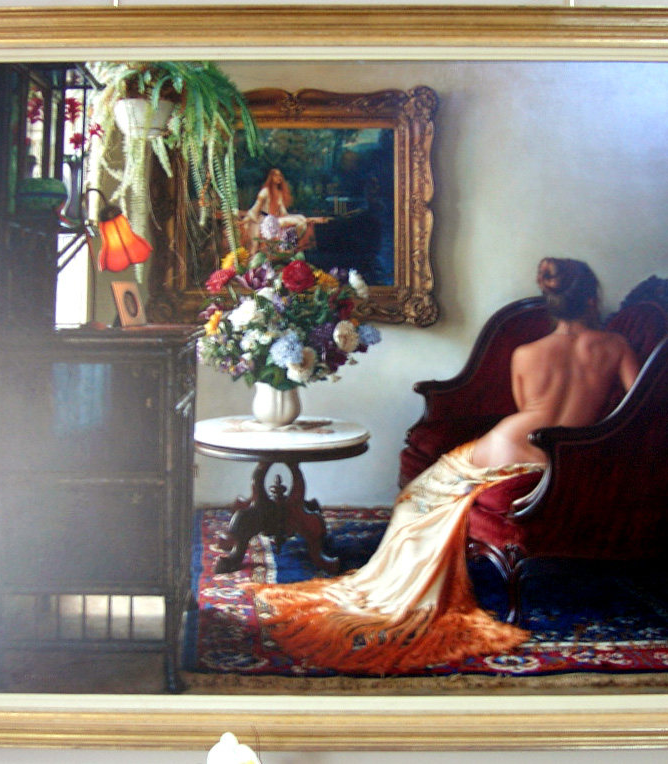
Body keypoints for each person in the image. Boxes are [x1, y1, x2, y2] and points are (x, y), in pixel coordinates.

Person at [248, 258, 640, 675]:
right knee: (430, 500)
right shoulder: (616, 347)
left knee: (418, 498)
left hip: (508, 444)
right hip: (564, 453)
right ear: (592, 299)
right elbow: (638, 407)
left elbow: (527, 407)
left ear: (551, 302)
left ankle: (395, 588)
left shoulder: (526, 353)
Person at [242, 168, 309, 249]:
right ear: (271, 177)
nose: (279, 178)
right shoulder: (265, 191)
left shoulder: (279, 193)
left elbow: (283, 212)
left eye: (280, 175)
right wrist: (246, 219)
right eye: (276, 175)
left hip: (275, 219)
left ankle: (287, 243)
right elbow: (255, 208)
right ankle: (284, 244)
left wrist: (294, 217)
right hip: (265, 221)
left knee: (302, 219)